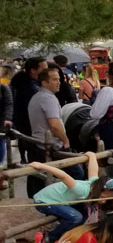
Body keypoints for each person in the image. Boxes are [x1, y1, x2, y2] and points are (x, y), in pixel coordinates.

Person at [31, 152, 101, 243]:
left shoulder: (95, 184)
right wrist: (42, 166)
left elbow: (93, 170)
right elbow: (63, 176)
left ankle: (66, 236)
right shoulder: (81, 190)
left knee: (83, 214)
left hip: (60, 200)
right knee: (76, 217)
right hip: (44, 201)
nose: (105, 200)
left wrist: (92, 156)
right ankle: (49, 238)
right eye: (104, 197)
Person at [27, 64, 73, 196]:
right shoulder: (48, 99)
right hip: (52, 145)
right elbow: (54, 125)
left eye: (59, 79)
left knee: (39, 178)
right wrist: (66, 141)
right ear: (44, 82)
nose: (58, 82)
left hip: (40, 143)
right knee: (76, 173)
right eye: (54, 79)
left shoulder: (37, 97)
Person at [11, 57, 46, 160]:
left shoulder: (23, 83)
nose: (46, 72)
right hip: (32, 129)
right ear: (33, 70)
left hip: (25, 128)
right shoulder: (31, 88)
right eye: (43, 69)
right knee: (37, 160)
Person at [0, 72, 12, 167]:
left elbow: (9, 103)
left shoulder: (3, 88)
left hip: (1, 120)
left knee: (0, 141)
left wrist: (7, 118)